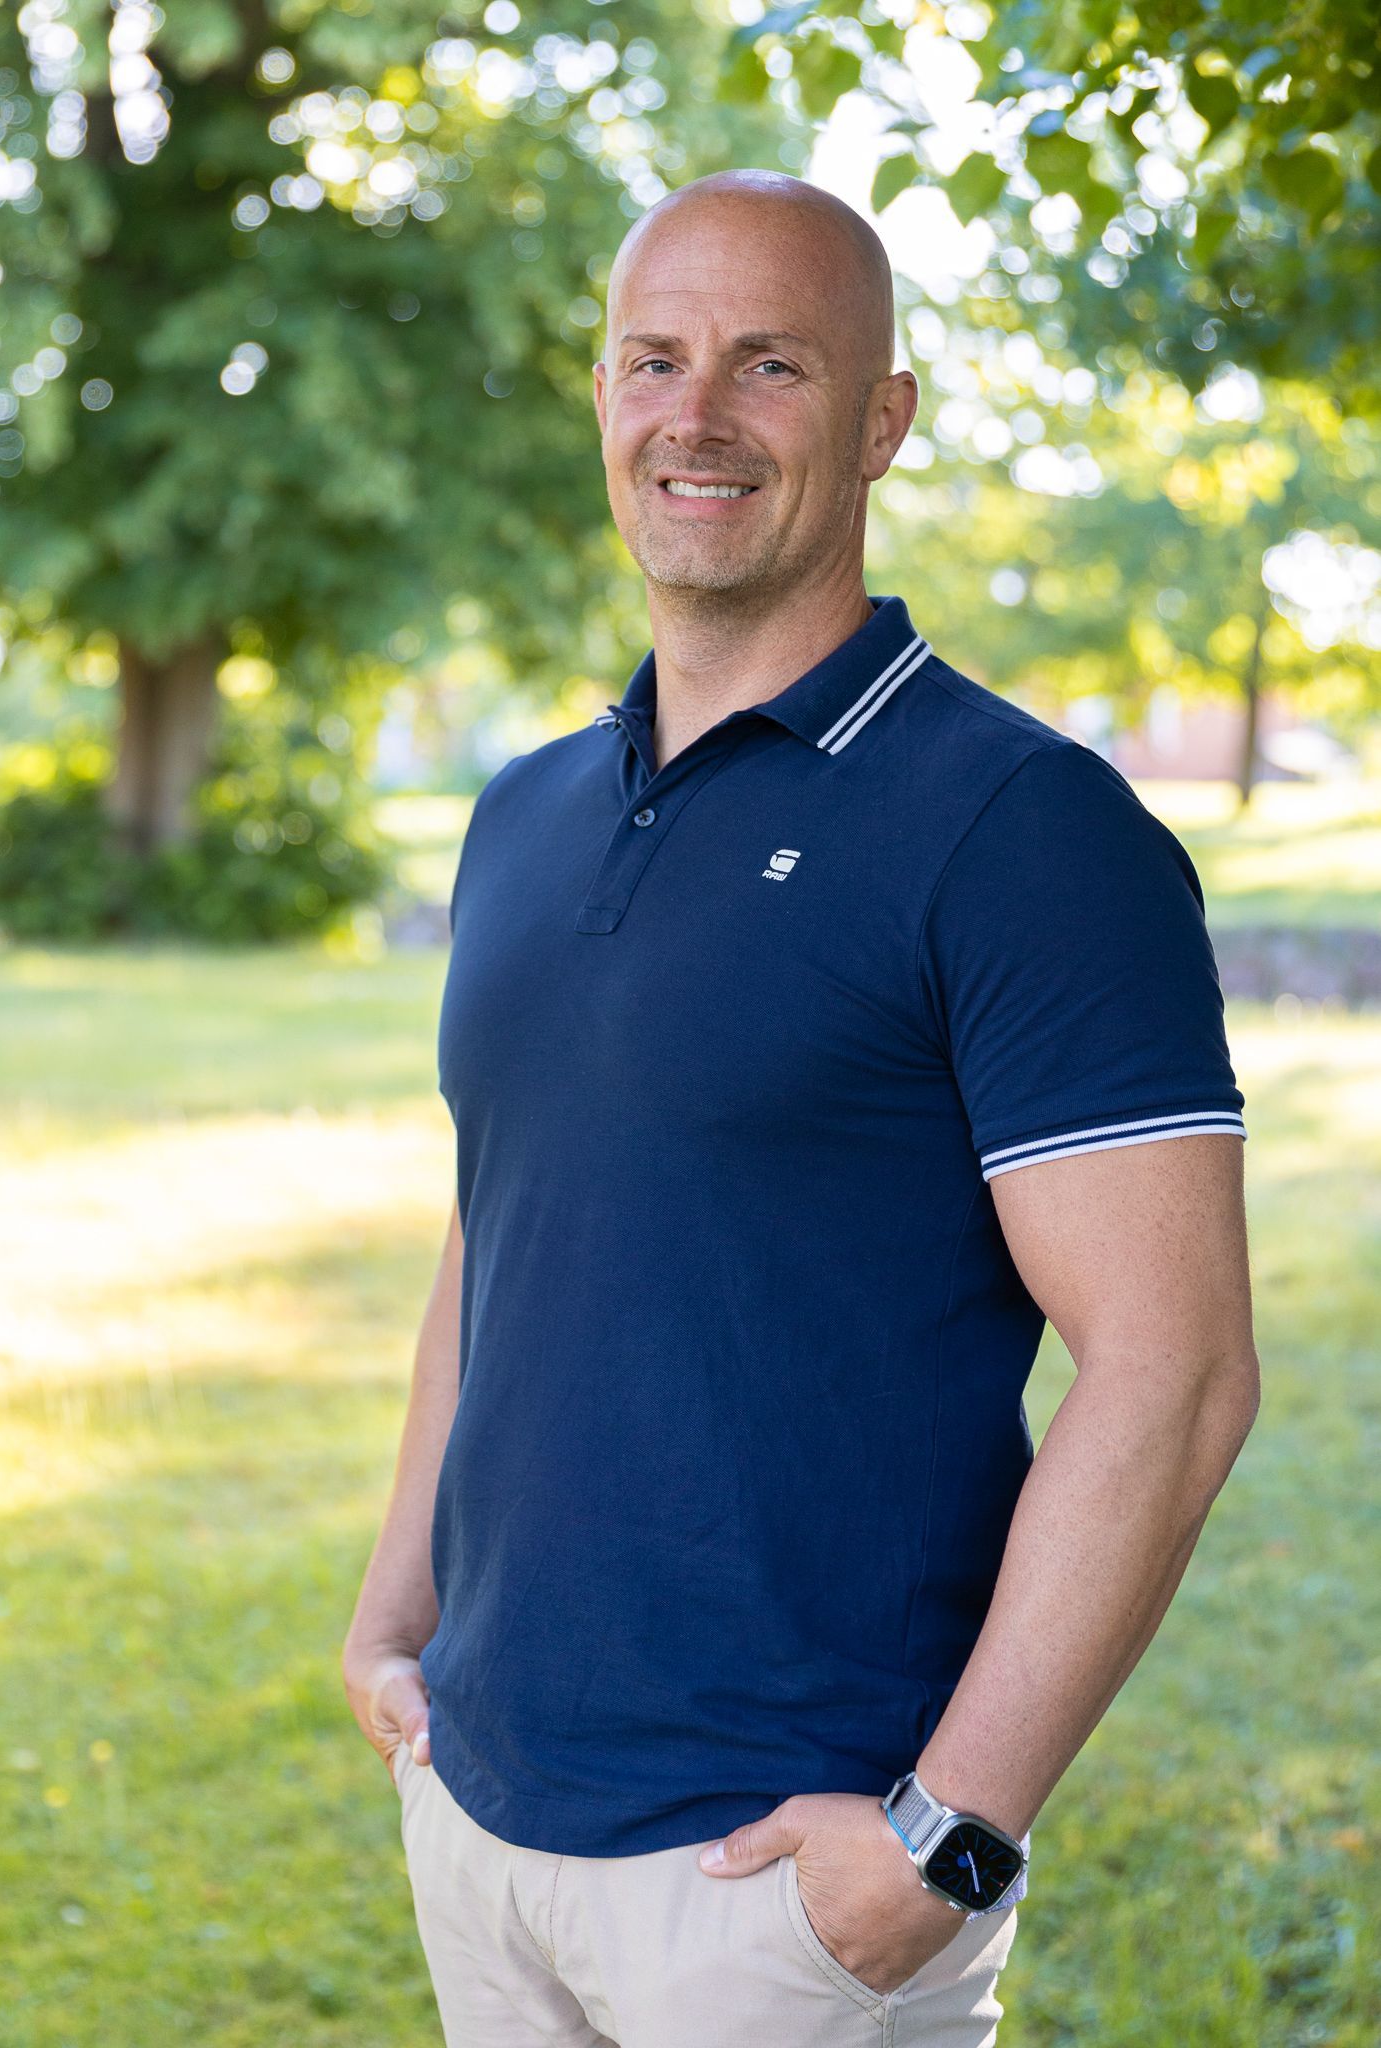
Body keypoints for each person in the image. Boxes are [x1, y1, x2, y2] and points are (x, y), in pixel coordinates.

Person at [342, 168, 1260, 2047]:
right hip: (481, 1814)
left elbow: (1174, 1372)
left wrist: (948, 1837)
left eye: (770, 365)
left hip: (777, 1884)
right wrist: (392, 1613)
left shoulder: (1025, 831)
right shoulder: (523, 813)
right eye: (652, 360)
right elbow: (502, 1231)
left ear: (882, 420)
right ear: (603, 396)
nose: (695, 415)